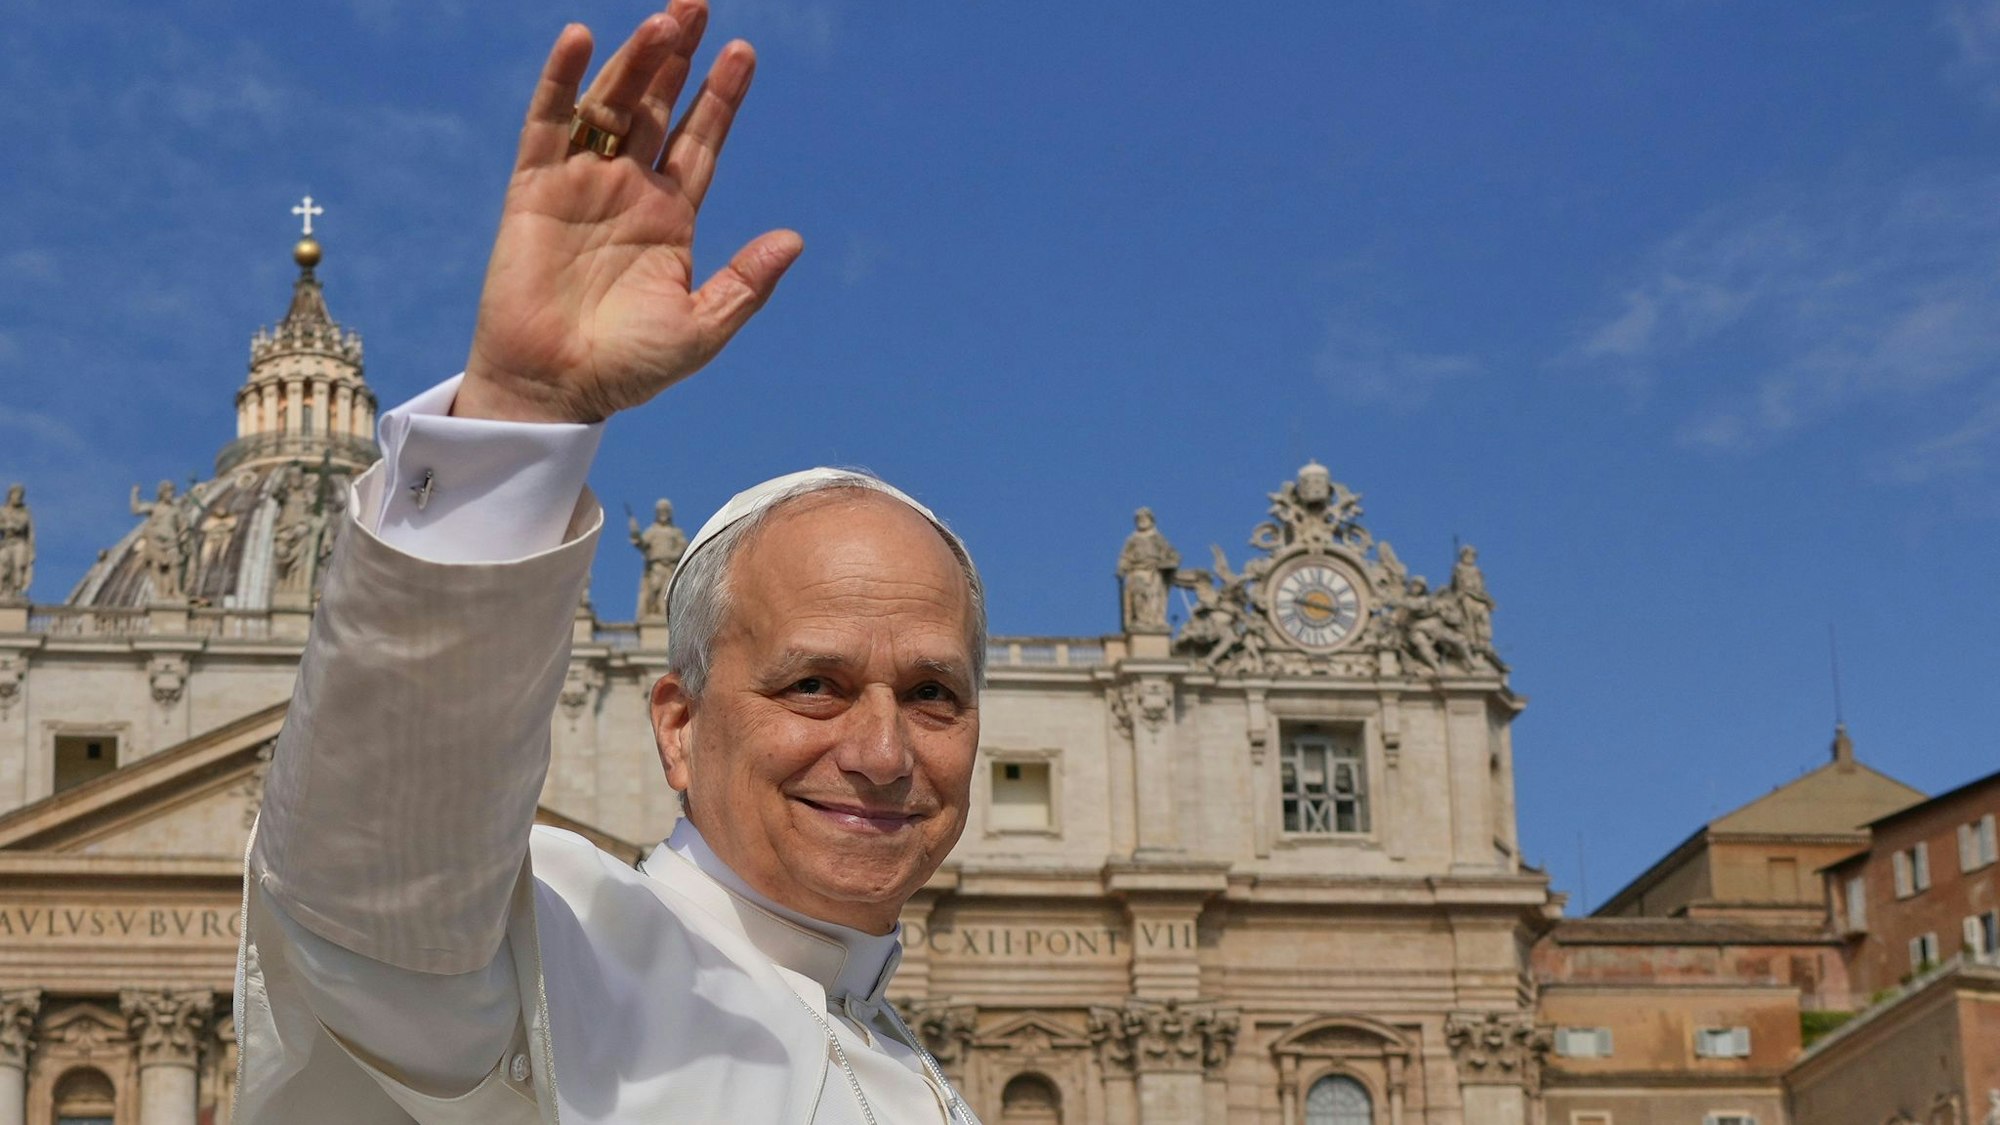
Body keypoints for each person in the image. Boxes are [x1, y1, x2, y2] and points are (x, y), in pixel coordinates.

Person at [234, 5, 984, 1121]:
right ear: (676, 725)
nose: (881, 752)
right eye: (814, 685)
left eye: (931, 694)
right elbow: (379, 894)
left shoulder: (919, 1072)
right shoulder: (554, 953)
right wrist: (519, 415)